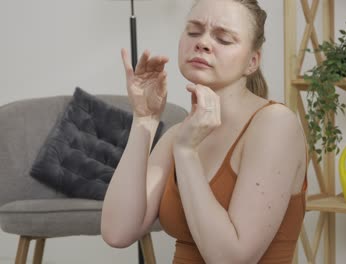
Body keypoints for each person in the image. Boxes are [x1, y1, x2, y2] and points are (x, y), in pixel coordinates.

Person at [101, 0, 308, 263]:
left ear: (252, 61)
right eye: (194, 32)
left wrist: (187, 153)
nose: (203, 43)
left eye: (223, 38)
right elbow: (117, 232)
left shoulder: (275, 125)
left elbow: (231, 259)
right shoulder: (178, 135)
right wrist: (144, 120)